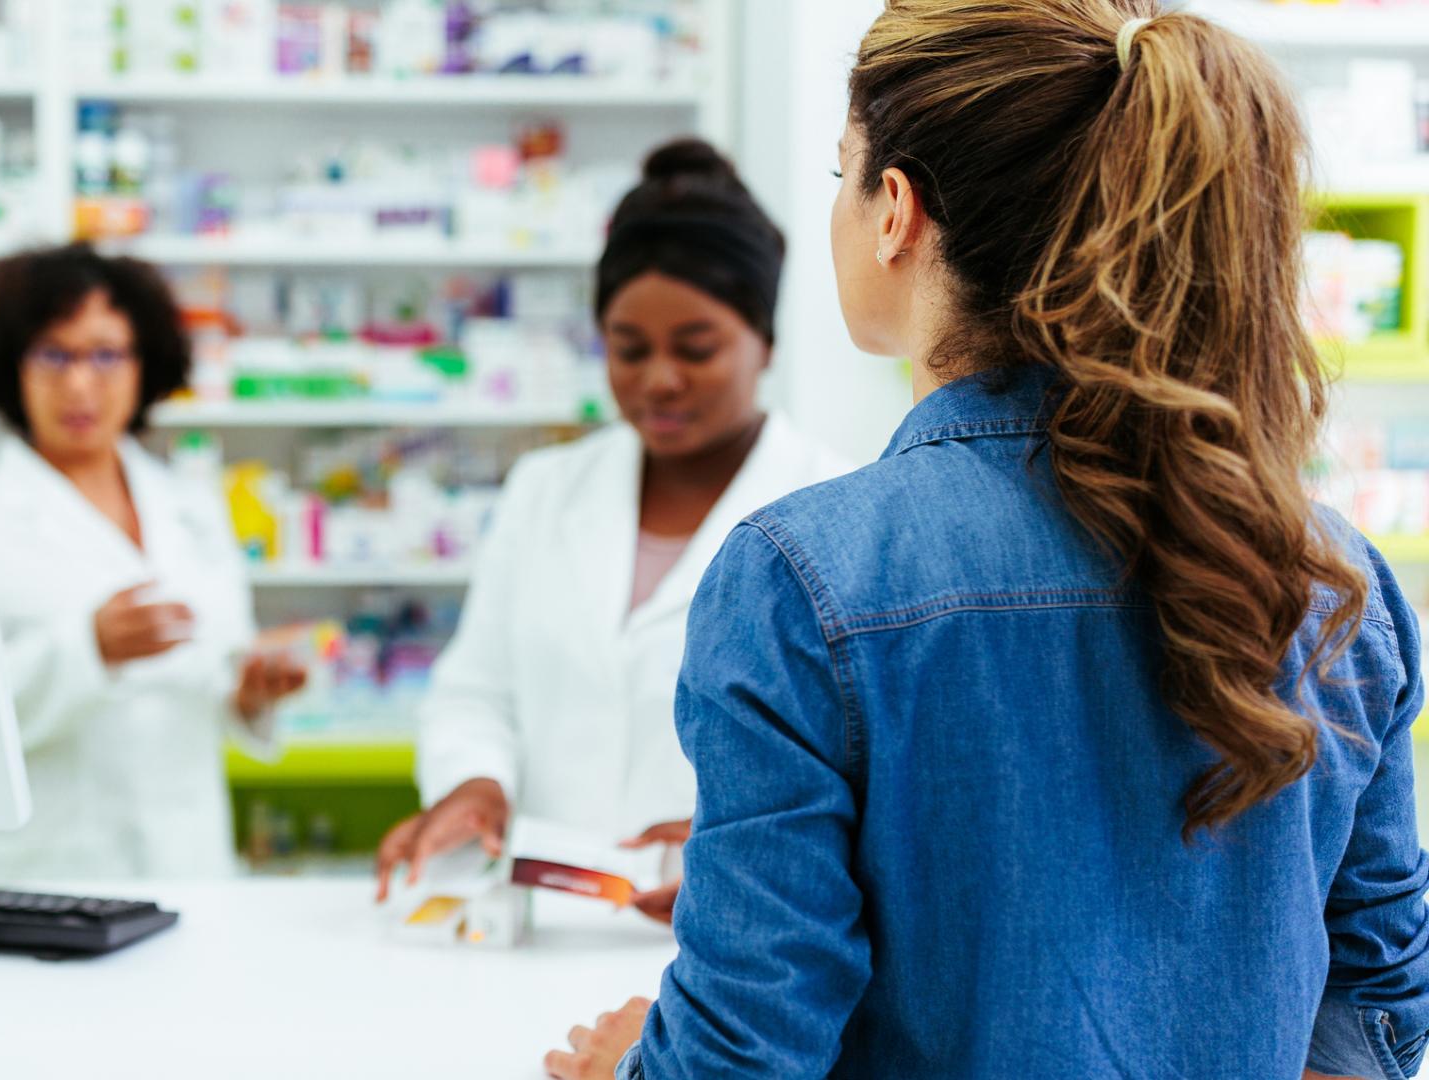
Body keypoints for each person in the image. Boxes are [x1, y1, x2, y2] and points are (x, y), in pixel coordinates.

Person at [545, 4, 1429, 1078]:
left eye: (841, 176)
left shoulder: (801, 581)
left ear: (894, 214)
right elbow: (1369, 1008)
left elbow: (743, 1058)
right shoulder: (1332, 582)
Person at [375, 139, 854, 917]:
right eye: (629, 350)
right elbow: (475, 690)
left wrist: (762, 845)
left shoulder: (833, 506)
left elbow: (862, 763)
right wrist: (474, 784)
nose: (658, 379)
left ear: (763, 341)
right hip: (537, 922)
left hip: (735, 943)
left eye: (695, 349)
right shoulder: (547, 490)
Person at [0, 244, 307, 881]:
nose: (79, 383)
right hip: (51, 864)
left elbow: (213, 665)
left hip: (189, 858)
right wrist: (86, 649)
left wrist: (250, 691)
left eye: (105, 354)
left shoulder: (189, 504)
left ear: (143, 363)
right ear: (12, 366)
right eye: (53, 354)